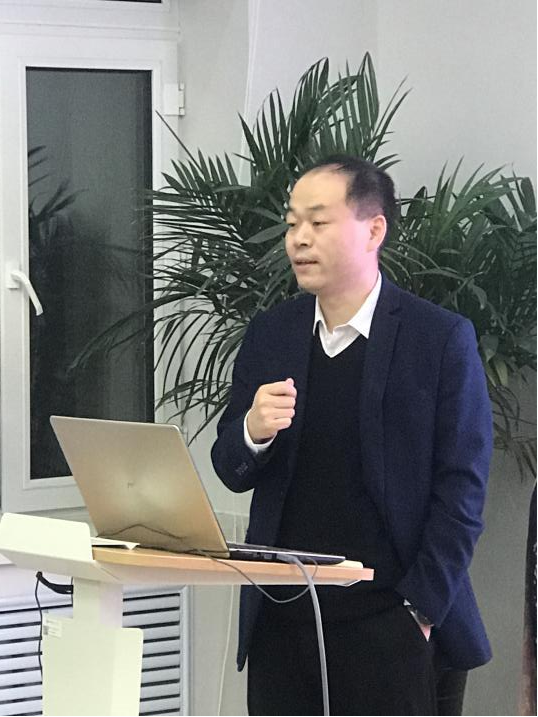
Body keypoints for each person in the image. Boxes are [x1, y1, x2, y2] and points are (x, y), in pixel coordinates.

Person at [211, 155, 493, 716]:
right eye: (293, 224)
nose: (299, 239)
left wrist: (419, 610)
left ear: (373, 230)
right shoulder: (272, 334)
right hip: (282, 622)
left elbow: (462, 490)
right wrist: (251, 430)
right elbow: (229, 467)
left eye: (318, 222)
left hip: (391, 624)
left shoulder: (438, 339)